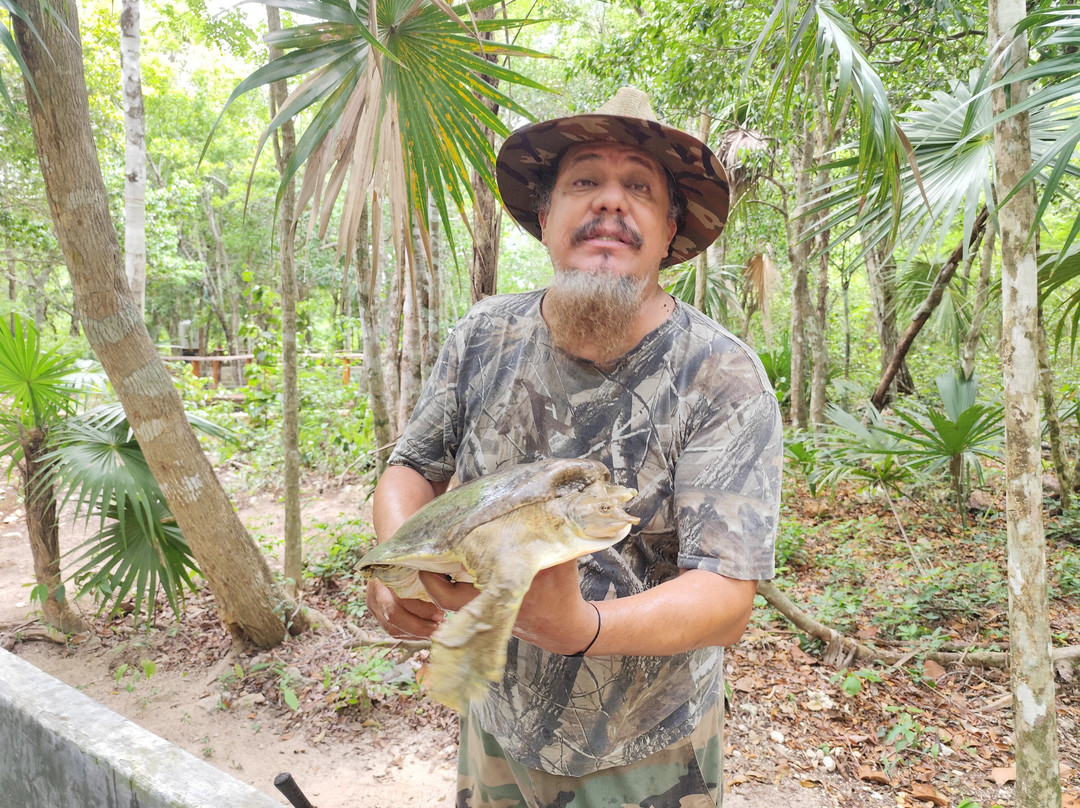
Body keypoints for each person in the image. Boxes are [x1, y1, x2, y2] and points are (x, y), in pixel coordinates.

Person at [367, 87, 783, 807]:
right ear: (546, 216)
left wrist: (579, 628)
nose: (611, 203)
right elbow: (411, 468)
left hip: (650, 752)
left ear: (669, 229)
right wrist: (399, 567)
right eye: (585, 181)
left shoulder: (721, 377)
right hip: (495, 723)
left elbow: (725, 596)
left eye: (639, 189)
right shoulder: (483, 337)